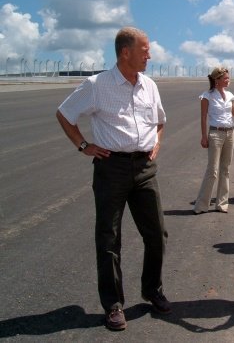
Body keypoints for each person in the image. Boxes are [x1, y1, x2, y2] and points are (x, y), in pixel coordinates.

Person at [56, 27, 170, 331]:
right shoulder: (97, 85)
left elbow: (160, 120)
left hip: (144, 169)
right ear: (125, 53)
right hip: (112, 169)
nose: (150, 55)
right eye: (145, 50)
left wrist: (155, 144)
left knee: (157, 234)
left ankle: (152, 289)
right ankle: (113, 305)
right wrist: (83, 145)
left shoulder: (149, 86)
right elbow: (65, 113)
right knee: (109, 238)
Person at [192, 67, 234, 214]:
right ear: (217, 80)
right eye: (225, 78)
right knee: (212, 171)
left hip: (230, 134)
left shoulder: (230, 95)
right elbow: (203, 117)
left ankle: (222, 204)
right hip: (215, 134)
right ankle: (201, 205)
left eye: (228, 77)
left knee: (225, 170)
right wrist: (204, 136)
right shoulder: (207, 96)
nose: (228, 80)